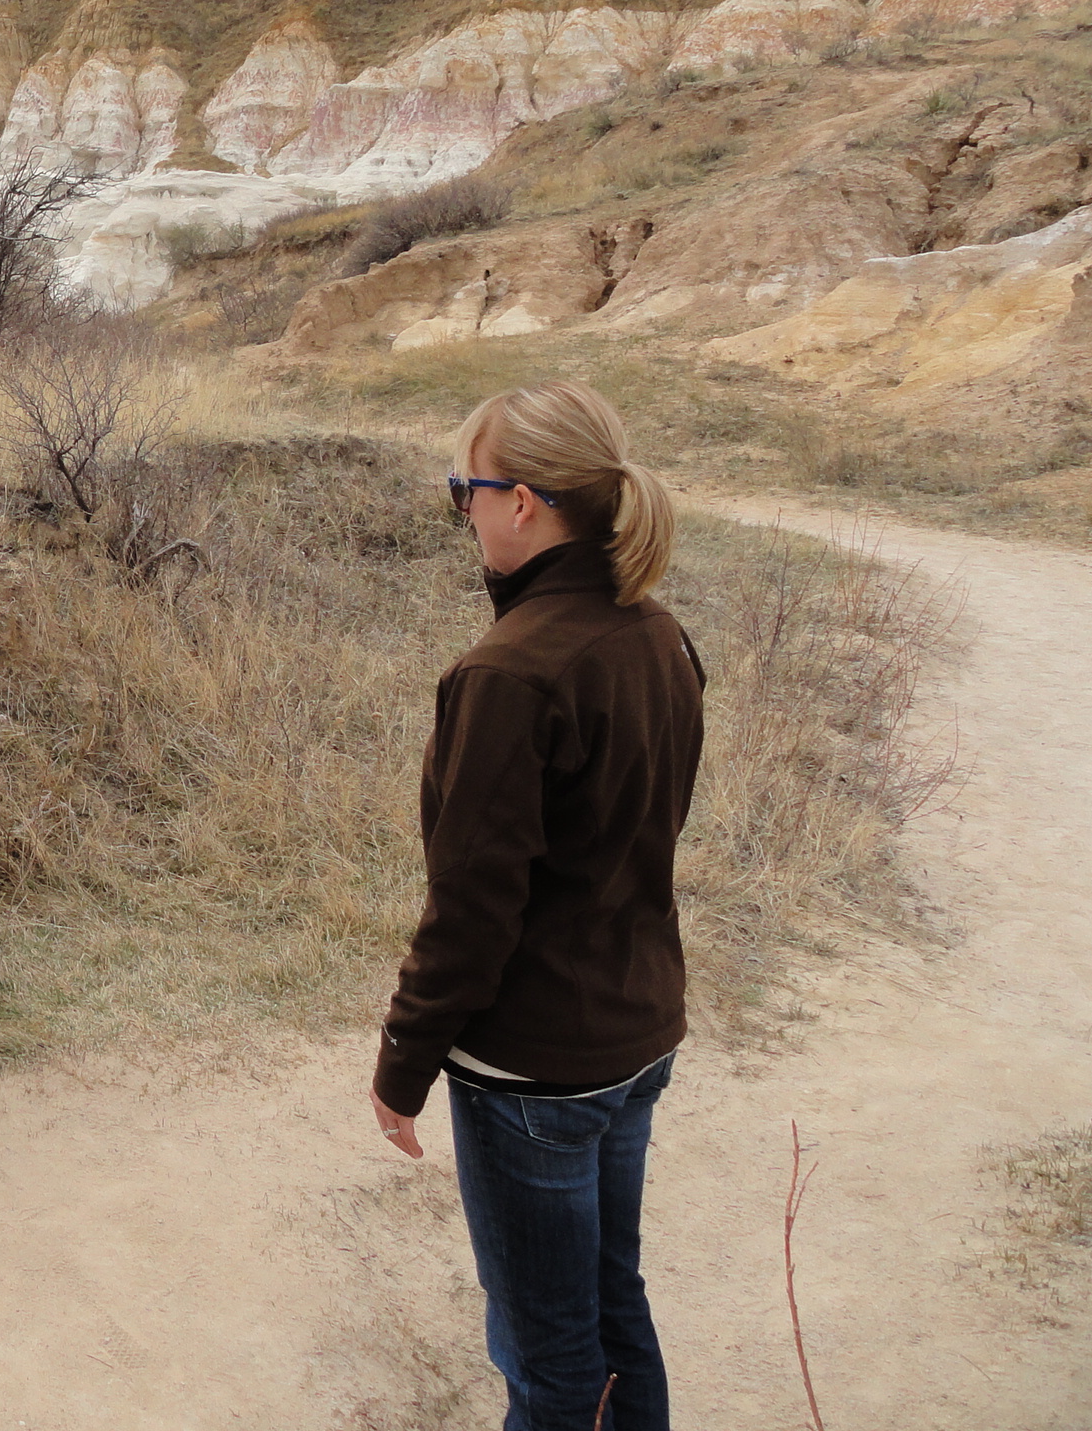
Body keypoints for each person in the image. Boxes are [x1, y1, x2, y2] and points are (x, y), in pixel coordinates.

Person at [367, 379, 706, 1431]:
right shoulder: (656, 635)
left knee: (548, 1356)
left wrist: (402, 1064)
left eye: (464, 489)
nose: (461, 509)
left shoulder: (508, 674)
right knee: (612, 1305)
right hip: (636, 1034)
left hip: (535, 1071)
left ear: (524, 504)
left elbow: (472, 911)